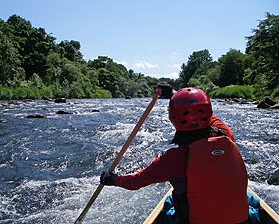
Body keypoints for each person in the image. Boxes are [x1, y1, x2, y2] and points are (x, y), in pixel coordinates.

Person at [100, 84, 249, 224]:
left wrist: (113, 179)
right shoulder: (226, 135)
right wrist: (174, 94)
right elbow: (202, 112)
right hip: (240, 221)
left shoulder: (172, 159)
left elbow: (135, 182)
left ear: (173, 118)